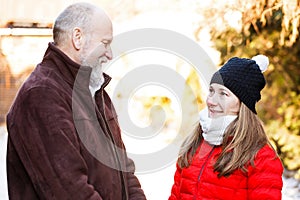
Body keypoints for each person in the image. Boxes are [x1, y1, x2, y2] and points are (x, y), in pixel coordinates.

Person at [6, 2, 146, 200]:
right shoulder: (42, 95)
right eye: (105, 43)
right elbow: (70, 191)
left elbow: (124, 169)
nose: (109, 54)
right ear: (78, 38)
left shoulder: (95, 90)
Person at [169, 55, 283, 199]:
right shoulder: (194, 144)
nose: (211, 101)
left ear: (243, 104)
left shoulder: (261, 157)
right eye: (211, 91)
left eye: (223, 94)